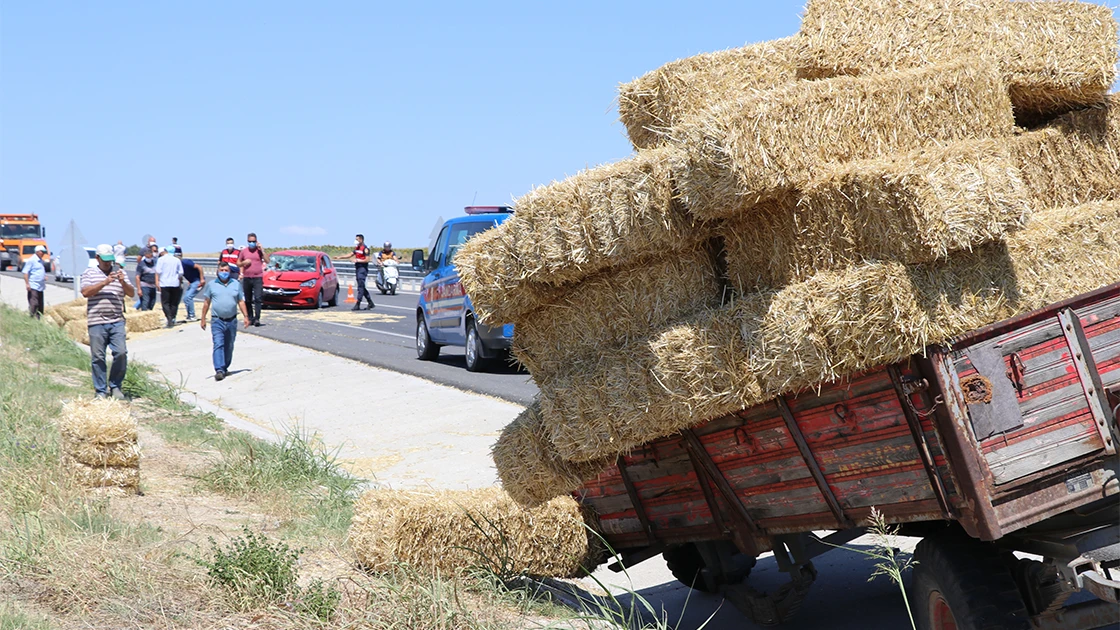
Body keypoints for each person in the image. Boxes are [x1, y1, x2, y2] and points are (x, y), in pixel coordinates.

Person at [81, 244, 134, 399]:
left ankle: (116, 386)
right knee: (98, 357)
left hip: (116, 320)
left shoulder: (120, 273)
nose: (108, 264)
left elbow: (131, 293)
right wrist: (105, 282)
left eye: (110, 261)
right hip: (96, 321)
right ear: (97, 258)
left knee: (121, 352)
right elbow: (85, 292)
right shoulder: (89, 273)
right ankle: (100, 390)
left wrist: (123, 282)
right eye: (105, 260)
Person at [200, 261, 251, 381]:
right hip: (217, 320)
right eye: (222, 271)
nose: (224, 273)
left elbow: (241, 301)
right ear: (217, 271)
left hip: (232, 320)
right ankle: (219, 369)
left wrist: (246, 316)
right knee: (218, 343)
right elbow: (207, 302)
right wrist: (203, 318)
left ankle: (225, 367)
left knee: (229, 345)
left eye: (226, 271)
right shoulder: (211, 285)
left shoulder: (236, 284)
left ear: (230, 272)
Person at [334, 233, 375, 310]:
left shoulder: (365, 249)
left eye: (357, 239)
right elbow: (350, 254)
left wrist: (358, 260)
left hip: (362, 269)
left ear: (361, 240)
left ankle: (358, 303)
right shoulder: (357, 248)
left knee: (360, 286)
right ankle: (370, 302)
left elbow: (367, 260)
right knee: (361, 286)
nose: (356, 241)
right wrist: (340, 257)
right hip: (358, 268)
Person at [237, 232, 269, 326]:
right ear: (247, 241)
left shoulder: (259, 251)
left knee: (258, 298)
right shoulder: (244, 252)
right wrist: (243, 263)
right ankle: (250, 317)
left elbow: (267, 261)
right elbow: (238, 263)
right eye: (250, 241)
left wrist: (262, 250)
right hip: (247, 277)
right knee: (248, 299)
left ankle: (257, 318)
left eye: (254, 241)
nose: (252, 243)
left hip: (257, 277)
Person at [155, 246, 184, 328]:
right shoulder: (177, 260)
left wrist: (157, 282)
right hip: (175, 283)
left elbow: (158, 271)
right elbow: (181, 272)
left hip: (164, 283)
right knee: (174, 302)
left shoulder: (161, 260)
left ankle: (169, 318)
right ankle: (173, 317)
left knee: (165, 302)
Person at [22, 245, 47, 319]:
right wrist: (27, 284)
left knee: (40, 304)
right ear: (38, 252)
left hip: (40, 286)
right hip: (33, 285)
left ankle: (39, 319)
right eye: (42, 252)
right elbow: (25, 272)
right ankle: (31, 318)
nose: (43, 254)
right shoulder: (32, 260)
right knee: (34, 303)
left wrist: (44, 276)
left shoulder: (41, 260)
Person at [179, 252, 205, 321]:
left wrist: (202, 279)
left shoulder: (185, 262)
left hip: (198, 280)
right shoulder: (177, 266)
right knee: (185, 298)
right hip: (193, 281)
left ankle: (192, 315)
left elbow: (199, 267)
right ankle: (189, 315)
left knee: (188, 297)